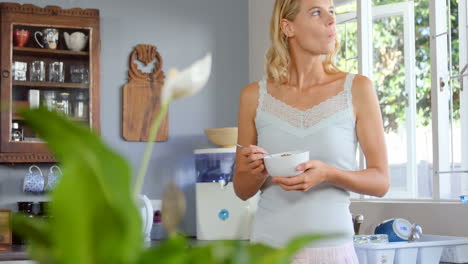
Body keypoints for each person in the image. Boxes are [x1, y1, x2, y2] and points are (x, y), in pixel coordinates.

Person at [233, 0, 390, 263]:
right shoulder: (252, 96)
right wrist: (255, 170)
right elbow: (242, 189)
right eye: (317, 12)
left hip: (333, 252)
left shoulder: (357, 89)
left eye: (331, 12)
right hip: (268, 252)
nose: (331, 20)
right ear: (288, 27)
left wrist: (328, 174)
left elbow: (381, 181)